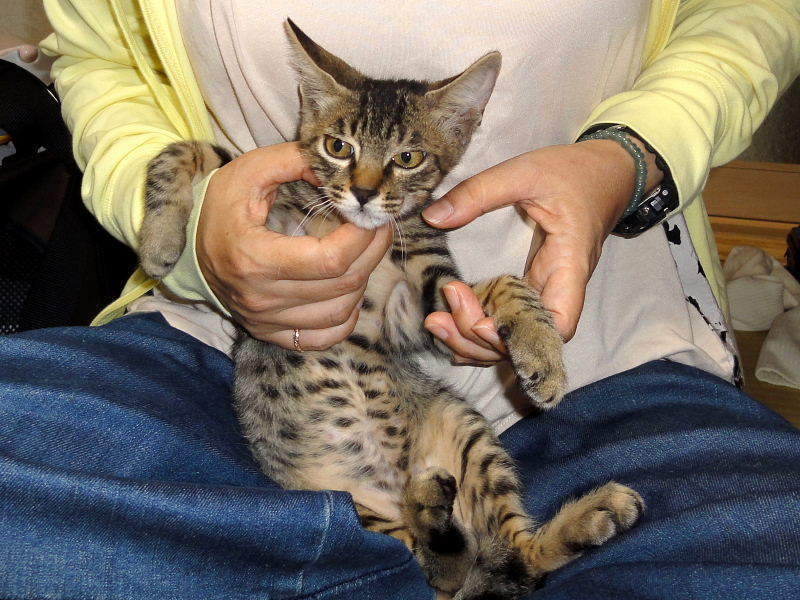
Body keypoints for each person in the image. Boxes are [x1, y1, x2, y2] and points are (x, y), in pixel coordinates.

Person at [1, 1, 799, 598]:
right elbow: (100, 65)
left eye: (404, 162)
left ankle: (475, 557)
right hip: (210, 347)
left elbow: (428, 313)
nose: (365, 185)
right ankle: (439, 563)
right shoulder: (297, 186)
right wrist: (193, 228)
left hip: (613, 356)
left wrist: (630, 158)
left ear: (461, 128)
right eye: (342, 150)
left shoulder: (413, 231)